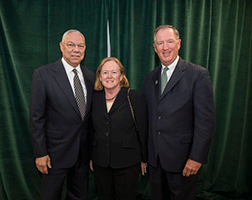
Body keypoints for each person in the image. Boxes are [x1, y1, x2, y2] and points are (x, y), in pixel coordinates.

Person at [142, 25, 215, 199]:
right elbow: (147, 119)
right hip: (155, 161)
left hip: (183, 161)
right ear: (155, 47)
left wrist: (196, 158)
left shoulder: (198, 75)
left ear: (179, 44)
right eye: (160, 43)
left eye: (169, 42)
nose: (165, 47)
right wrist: (145, 156)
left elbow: (205, 122)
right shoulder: (149, 78)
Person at [29, 29, 95, 200]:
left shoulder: (90, 76)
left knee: (79, 196)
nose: (76, 50)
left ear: (85, 48)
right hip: (54, 155)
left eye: (81, 46)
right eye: (71, 45)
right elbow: (37, 118)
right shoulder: (43, 75)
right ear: (61, 46)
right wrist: (40, 153)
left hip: (82, 155)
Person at [89, 57, 148, 200]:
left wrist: (144, 159)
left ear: (121, 76)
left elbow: (143, 130)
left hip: (128, 163)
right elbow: (90, 130)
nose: (109, 76)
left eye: (114, 72)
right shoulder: (93, 98)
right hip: (100, 162)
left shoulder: (134, 96)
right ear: (99, 77)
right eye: (105, 72)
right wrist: (90, 157)